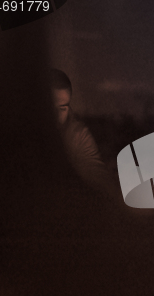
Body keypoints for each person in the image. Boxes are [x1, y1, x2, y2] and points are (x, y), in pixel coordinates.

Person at [50, 68, 119, 200]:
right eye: (50, 107)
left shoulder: (77, 133)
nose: (55, 115)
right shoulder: (15, 130)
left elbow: (96, 174)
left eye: (62, 108)